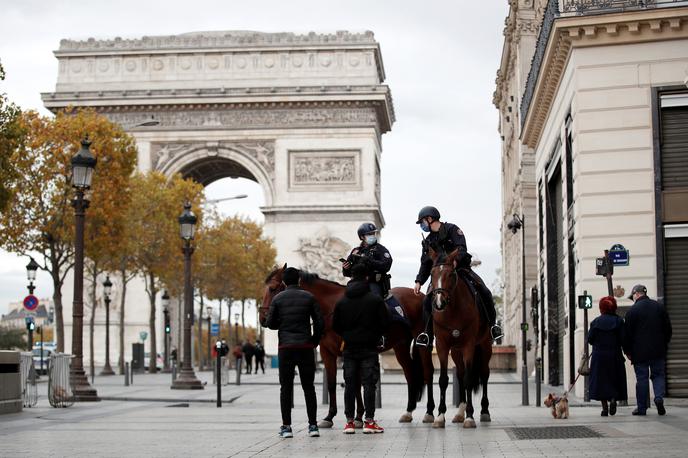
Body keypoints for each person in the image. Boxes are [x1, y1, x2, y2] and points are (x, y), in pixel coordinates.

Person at [412, 206, 502, 346]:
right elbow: (425, 263)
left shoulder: (452, 229)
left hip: (460, 269)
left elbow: (461, 248)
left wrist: (455, 261)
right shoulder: (428, 241)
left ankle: (493, 326)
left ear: (430, 219)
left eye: (422, 222)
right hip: (440, 276)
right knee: (426, 301)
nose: (422, 225)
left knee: (484, 291)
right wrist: (419, 281)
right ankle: (427, 334)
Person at [262, 267, 324, 438]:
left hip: (286, 348)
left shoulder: (278, 299)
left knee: (286, 388)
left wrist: (277, 322)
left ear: (284, 282)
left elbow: (272, 324)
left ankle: (287, 427)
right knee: (308, 387)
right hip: (305, 347)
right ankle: (313, 426)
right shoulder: (309, 297)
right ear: (298, 280)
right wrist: (314, 341)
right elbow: (319, 322)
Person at [333, 263, 389, 434]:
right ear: (367, 277)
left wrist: (348, 334)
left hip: (349, 348)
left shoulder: (342, 301)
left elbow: (335, 326)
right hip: (369, 348)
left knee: (350, 385)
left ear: (351, 278)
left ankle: (349, 422)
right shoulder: (375, 300)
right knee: (369, 385)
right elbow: (384, 324)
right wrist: (373, 334)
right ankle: (369, 422)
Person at [623, 285, 672, 416]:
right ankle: (659, 398)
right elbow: (668, 329)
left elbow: (626, 335)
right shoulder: (659, 307)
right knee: (658, 375)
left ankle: (642, 408)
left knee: (642, 379)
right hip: (658, 350)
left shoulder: (632, 311)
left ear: (636, 294)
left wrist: (627, 351)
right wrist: (664, 345)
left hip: (639, 353)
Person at [588, 296, 627, 417]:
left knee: (601, 382)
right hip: (614, 354)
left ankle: (604, 409)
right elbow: (623, 339)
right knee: (614, 379)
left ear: (601, 308)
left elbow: (590, 339)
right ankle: (613, 398)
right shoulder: (619, 321)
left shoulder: (595, 322)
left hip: (599, 356)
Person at [342, 222, 393, 298]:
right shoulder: (355, 251)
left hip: (373, 283)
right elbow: (348, 273)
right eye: (369, 234)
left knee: (375, 301)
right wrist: (346, 268)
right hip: (356, 282)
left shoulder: (380, 249)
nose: (372, 236)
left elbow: (386, 265)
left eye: (373, 233)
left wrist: (370, 261)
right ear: (362, 237)